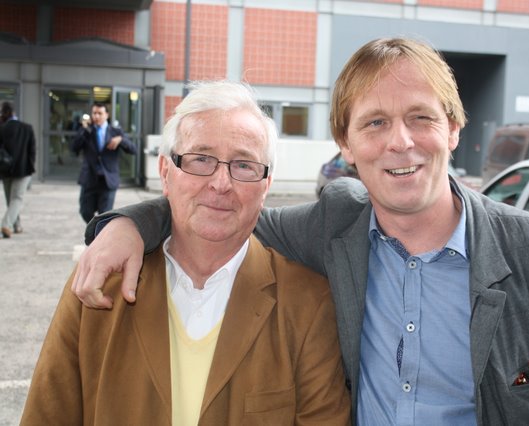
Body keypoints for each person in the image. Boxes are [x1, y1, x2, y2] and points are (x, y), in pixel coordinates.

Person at [72, 38, 529, 424]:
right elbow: (224, 207)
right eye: (375, 123)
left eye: (421, 117)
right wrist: (127, 224)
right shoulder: (332, 225)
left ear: (453, 129)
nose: (400, 142)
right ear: (345, 144)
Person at [21, 81, 350, 425]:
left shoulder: (307, 304)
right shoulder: (98, 283)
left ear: (266, 185)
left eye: (243, 165)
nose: (221, 183)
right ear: (166, 172)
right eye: (200, 159)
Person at [72, 102, 136, 223]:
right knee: (85, 212)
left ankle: (99, 234)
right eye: (94, 113)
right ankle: (95, 231)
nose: (96, 116)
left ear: (106, 115)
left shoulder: (116, 132)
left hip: (108, 180)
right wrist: (84, 130)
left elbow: (133, 149)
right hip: (89, 178)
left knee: (105, 216)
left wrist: (121, 140)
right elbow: (74, 148)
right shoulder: (87, 130)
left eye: (99, 113)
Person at [0, 102, 36, 238]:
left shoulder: (2, 128)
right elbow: (32, 151)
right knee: (16, 199)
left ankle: (16, 225)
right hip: (23, 170)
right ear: (14, 112)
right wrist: (30, 166)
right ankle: (6, 225)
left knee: (11, 199)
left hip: (5, 170)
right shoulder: (27, 128)